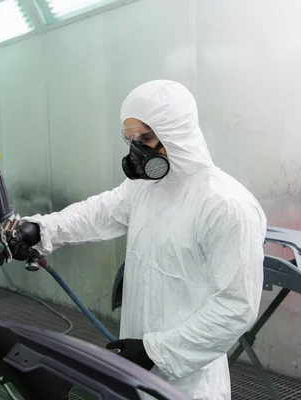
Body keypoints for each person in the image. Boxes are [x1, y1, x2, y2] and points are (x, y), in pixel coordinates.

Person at [20, 80, 267, 400]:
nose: (137, 151)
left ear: (176, 131)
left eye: (146, 138)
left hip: (189, 383)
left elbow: (236, 307)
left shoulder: (225, 205)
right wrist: (43, 230)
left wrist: (157, 352)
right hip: (137, 371)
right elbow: (100, 212)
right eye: (132, 140)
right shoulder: (147, 188)